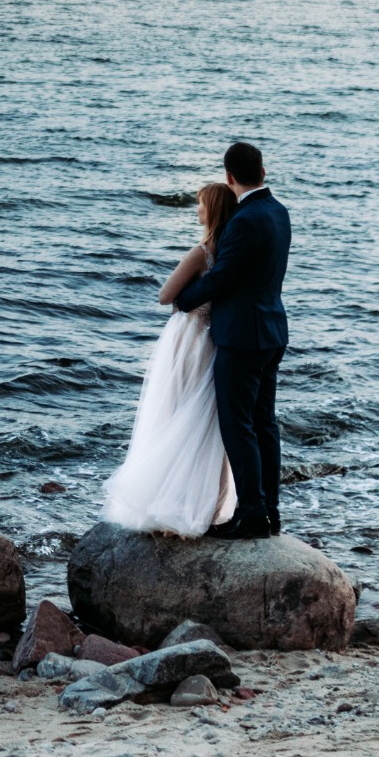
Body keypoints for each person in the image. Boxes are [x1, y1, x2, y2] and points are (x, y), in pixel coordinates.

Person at [101, 182, 239, 535]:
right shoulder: (233, 253)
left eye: (200, 205)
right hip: (217, 342)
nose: (197, 210)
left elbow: (165, 296)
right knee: (207, 426)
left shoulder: (203, 252)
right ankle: (212, 506)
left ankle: (171, 502)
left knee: (176, 415)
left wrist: (185, 298)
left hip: (189, 340)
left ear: (211, 209)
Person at [173, 141, 291, 539]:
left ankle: (253, 514)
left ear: (229, 177)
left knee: (238, 426)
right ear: (263, 170)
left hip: (243, 338)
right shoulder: (278, 211)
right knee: (264, 425)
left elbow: (223, 277)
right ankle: (270, 510)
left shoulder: (244, 219)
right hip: (272, 330)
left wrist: (183, 300)